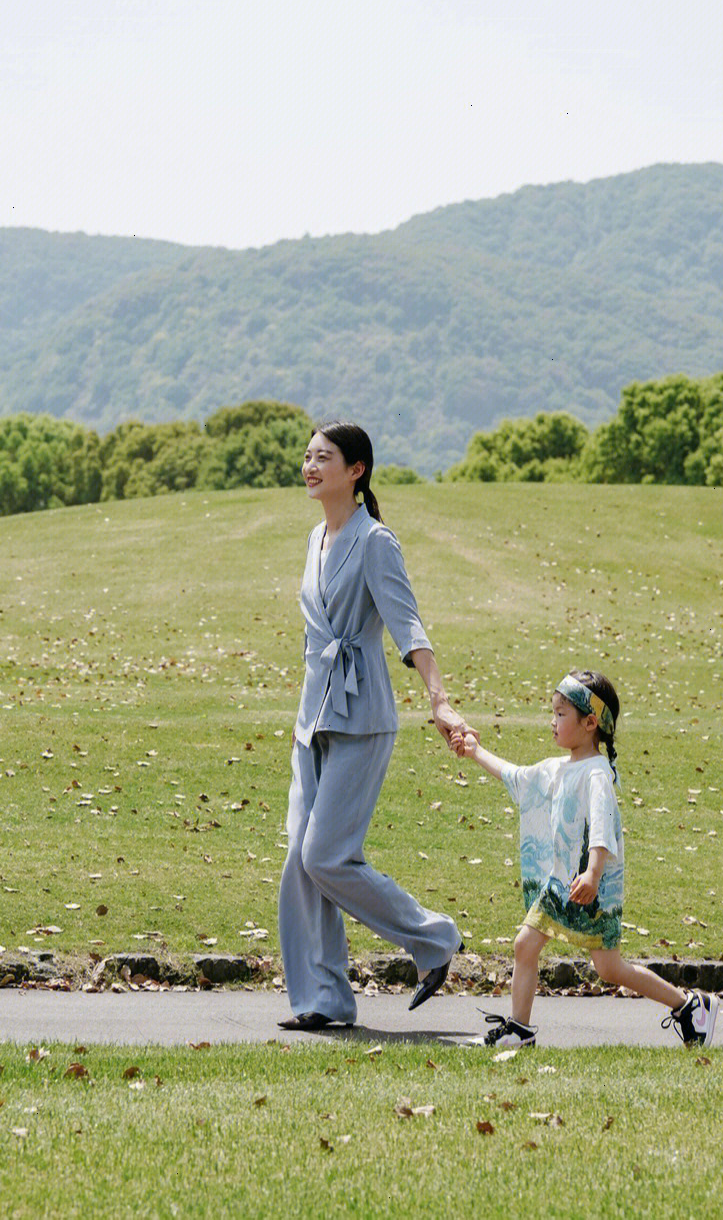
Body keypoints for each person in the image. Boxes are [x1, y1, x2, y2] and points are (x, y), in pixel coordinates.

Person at [277, 421, 469, 1031]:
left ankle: (434, 939)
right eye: (307, 456)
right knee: (298, 861)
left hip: (362, 718)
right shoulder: (315, 537)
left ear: (356, 469)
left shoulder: (376, 540)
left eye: (323, 457)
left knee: (326, 855)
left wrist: (439, 702)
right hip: (314, 717)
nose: (310, 466)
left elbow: (408, 626)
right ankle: (323, 999)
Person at [452, 669, 718, 1049]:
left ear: (590, 722)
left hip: (590, 886)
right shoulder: (556, 769)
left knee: (609, 969)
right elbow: (514, 776)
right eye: (553, 712)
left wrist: (593, 873)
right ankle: (519, 1030)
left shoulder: (596, 775)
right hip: (561, 883)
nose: (553, 721)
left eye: (561, 714)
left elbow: (603, 829)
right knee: (525, 944)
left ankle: (690, 1006)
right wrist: (474, 750)